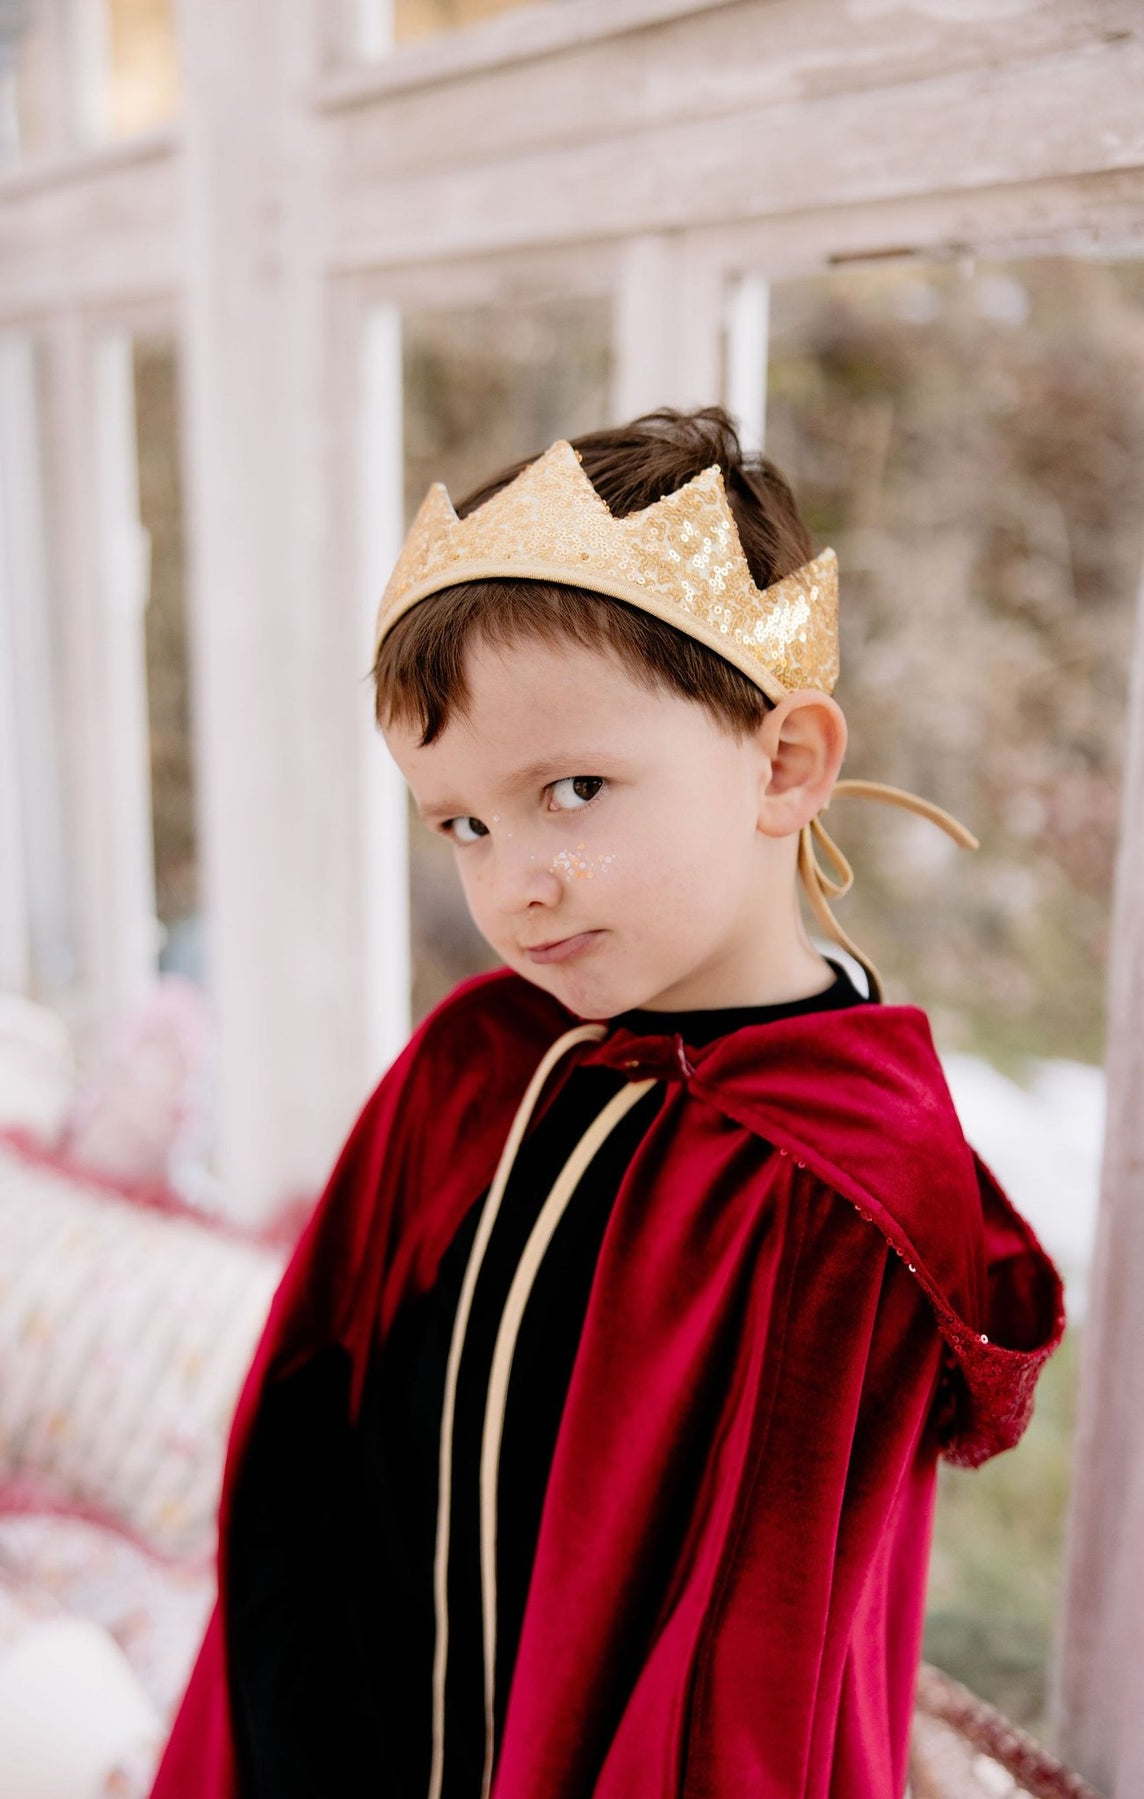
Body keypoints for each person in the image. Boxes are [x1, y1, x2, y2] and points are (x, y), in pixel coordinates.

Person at [149, 407, 1064, 1799]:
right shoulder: (482, 1064)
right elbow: (311, 1419)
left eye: (571, 791)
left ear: (782, 763)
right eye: (463, 821)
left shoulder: (832, 1181)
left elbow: (752, 1670)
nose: (514, 881)